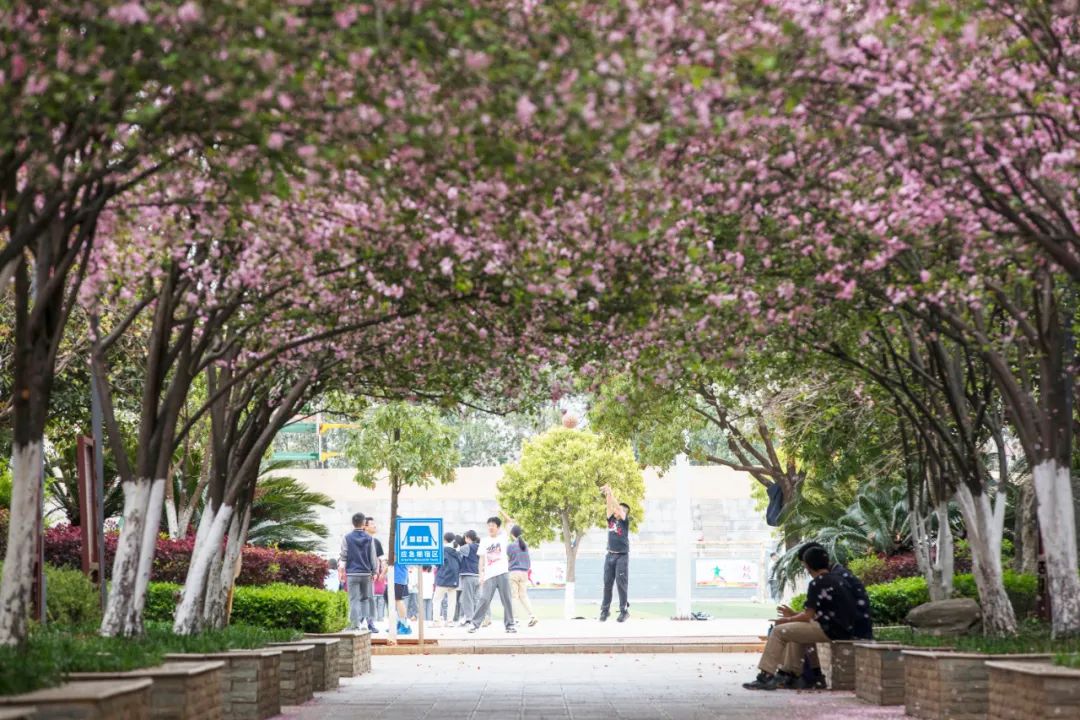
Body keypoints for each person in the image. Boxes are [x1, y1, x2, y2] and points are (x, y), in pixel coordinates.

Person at [743, 545, 872, 691]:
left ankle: (766, 676)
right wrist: (794, 617)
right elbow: (824, 612)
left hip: (832, 629)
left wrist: (786, 620)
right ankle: (808, 676)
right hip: (842, 628)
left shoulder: (817, 582)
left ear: (808, 565)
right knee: (798, 634)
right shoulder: (838, 578)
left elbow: (808, 616)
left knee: (779, 631)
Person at [467, 516, 516, 633]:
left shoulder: (503, 537)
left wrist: (502, 513)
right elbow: (481, 560)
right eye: (489, 525)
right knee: (484, 599)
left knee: (507, 600)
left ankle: (509, 625)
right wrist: (481, 575)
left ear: (498, 527)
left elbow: (510, 522)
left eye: (493, 525)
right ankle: (475, 624)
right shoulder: (484, 541)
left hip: (503, 573)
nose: (490, 527)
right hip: (489, 575)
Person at [338, 512, 378, 632]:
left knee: (354, 600)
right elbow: (373, 556)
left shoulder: (347, 538)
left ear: (353, 523)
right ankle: (365, 623)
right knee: (365, 599)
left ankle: (355, 625)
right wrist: (374, 571)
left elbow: (343, 556)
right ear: (363, 523)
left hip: (352, 574)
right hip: (366, 573)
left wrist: (341, 571)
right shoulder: (369, 538)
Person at [599, 484, 631, 622]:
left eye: (619, 509)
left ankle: (624, 611)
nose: (616, 510)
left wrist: (611, 491)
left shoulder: (625, 522)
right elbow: (609, 506)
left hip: (621, 556)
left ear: (623, 513)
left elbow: (617, 507)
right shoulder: (611, 520)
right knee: (607, 583)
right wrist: (608, 494)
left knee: (621, 583)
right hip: (610, 555)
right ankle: (605, 611)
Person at [507, 525, 538, 627]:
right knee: (523, 596)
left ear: (512, 535)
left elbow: (508, 558)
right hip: (524, 573)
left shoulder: (510, 546)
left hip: (514, 573)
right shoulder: (525, 545)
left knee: (514, 596)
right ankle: (532, 616)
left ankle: (515, 620)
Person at [432, 532, 462, 628]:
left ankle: (436, 622)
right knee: (452, 602)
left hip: (442, 579)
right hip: (454, 580)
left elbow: (437, 564)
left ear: (444, 540)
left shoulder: (441, 550)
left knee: (436, 600)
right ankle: (449, 622)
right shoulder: (457, 552)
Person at [364, 517, 386, 632]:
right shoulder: (358, 541)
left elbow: (382, 559)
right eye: (372, 524)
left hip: (370, 575)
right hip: (357, 574)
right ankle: (356, 623)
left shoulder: (376, 542)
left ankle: (370, 623)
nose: (375, 526)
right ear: (365, 526)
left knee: (370, 599)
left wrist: (380, 572)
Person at [457, 530, 481, 626]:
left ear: (467, 538)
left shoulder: (467, 547)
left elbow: (457, 551)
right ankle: (477, 618)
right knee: (476, 598)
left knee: (467, 598)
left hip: (468, 575)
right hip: (478, 575)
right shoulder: (480, 547)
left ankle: (469, 619)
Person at [392, 557, 412, 635]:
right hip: (400, 576)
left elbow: (393, 559)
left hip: (398, 577)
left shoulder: (398, 546)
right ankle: (399, 623)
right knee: (397, 601)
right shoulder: (403, 546)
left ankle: (405, 626)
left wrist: (383, 572)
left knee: (399, 600)